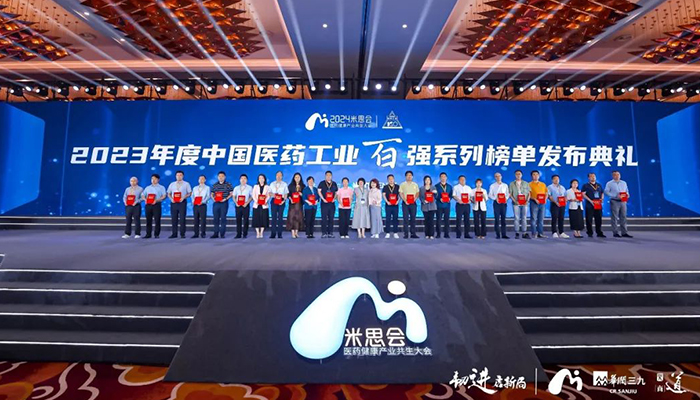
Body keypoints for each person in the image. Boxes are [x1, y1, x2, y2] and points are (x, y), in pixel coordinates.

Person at [605, 171, 633, 238]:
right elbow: (606, 192)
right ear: (612, 176)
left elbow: (626, 191)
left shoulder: (624, 183)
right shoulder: (609, 183)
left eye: (618, 174)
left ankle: (624, 232)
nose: (617, 176)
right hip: (614, 201)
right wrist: (614, 196)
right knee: (614, 217)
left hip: (623, 201)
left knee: (623, 217)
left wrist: (627, 195)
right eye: (615, 175)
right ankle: (615, 232)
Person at [167, 170, 192, 239]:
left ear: (183, 176)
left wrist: (183, 197)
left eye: (180, 175)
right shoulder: (172, 184)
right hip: (174, 203)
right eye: (177, 175)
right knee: (174, 218)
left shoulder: (186, 184)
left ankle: (182, 233)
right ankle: (174, 233)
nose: (179, 176)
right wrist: (171, 199)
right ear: (175, 176)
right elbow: (168, 193)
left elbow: (190, 193)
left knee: (182, 218)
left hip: (182, 202)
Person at [141, 173, 166, 239]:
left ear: (158, 180)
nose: (153, 180)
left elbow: (164, 196)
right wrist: (145, 199)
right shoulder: (147, 187)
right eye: (152, 179)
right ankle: (148, 234)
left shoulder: (161, 187)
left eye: (155, 179)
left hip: (156, 205)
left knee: (157, 220)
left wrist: (156, 200)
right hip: (148, 205)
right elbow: (143, 195)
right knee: (148, 220)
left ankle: (156, 234)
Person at [582, 173, 606, 238]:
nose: (593, 177)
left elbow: (602, 193)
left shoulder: (599, 185)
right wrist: (590, 201)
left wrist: (602, 199)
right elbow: (583, 194)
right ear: (588, 178)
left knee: (598, 219)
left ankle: (599, 232)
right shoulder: (585, 185)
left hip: (598, 204)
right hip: (590, 204)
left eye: (594, 176)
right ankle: (590, 232)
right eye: (591, 176)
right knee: (589, 219)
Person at [210, 171, 233, 239]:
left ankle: (222, 234)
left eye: (222, 176)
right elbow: (212, 194)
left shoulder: (228, 184)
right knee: (215, 218)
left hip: (224, 203)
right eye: (219, 176)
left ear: (224, 177)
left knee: (223, 218)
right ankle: (215, 233)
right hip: (216, 203)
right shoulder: (215, 185)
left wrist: (225, 199)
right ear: (217, 177)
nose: (221, 178)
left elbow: (231, 194)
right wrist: (213, 199)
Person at [509, 170, 530, 239]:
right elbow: (510, 194)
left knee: (524, 218)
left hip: (525, 203)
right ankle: (517, 232)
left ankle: (524, 233)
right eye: (517, 174)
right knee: (516, 218)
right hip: (516, 203)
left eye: (519, 174)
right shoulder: (512, 184)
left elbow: (529, 193)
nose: (518, 175)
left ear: (521, 175)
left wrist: (527, 201)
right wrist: (515, 201)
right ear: (515, 175)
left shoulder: (526, 183)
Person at [488, 172, 510, 239]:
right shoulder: (492, 186)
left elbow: (507, 194)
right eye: (496, 176)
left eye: (499, 176)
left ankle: (504, 234)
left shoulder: (505, 185)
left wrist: (506, 198)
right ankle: (497, 234)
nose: (498, 177)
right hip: (496, 203)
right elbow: (490, 195)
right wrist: (495, 198)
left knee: (503, 219)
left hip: (503, 203)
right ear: (495, 178)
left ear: (501, 177)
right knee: (497, 219)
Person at [318, 170, 338, 238]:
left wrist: (334, 199)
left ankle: (330, 233)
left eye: (330, 175)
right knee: (324, 218)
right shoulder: (322, 183)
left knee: (331, 218)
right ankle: (324, 233)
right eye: (327, 175)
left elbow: (336, 192)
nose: (328, 176)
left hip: (331, 204)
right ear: (325, 176)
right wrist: (323, 199)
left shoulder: (334, 183)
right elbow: (319, 191)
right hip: (324, 203)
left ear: (331, 176)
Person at [400, 171, 420, 239]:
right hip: (405, 203)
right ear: (405, 176)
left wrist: (414, 199)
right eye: (408, 175)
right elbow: (401, 193)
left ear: (412, 176)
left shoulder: (415, 184)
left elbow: (417, 193)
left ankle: (413, 233)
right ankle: (406, 234)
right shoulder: (402, 184)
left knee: (413, 219)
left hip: (413, 203)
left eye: (410, 175)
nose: (409, 176)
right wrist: (405, 200)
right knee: (405, 219)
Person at [268, 171, 289, 239]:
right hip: (274, 200)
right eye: (277, 175)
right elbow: (269, 193)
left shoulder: (284, 184)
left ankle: (280, 234)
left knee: (280, 218)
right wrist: (274, 195)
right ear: (275, 176)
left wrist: (283, 201)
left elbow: (286, 193)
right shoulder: (272, 184)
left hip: (281, 201)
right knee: (273, 218)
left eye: (280, 176)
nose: (279, 177)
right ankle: (273, 234)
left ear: (282, 176)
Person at [548, 175, 569, 239]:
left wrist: (565, 201)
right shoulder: (550, 187)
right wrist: (555, 202)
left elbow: (565, 195)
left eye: (557, 179)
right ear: (552, 180)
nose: (556, 180)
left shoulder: (562, 187)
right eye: (555, 179)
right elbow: (549, 196)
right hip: (554, 204)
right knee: (554, 218)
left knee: (561, 218)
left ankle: (561, 232)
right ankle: (554, 232)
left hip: (562, 204)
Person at [232, 174, 252, 239]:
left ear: (247, 180)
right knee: (238, 220)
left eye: (244, 179)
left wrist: (247, 203)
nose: (243, 180)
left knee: (246, 220)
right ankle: (238, 234)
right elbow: (233, 196)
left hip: (245, 205)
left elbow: (251, 197)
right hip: (238, 205)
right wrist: (236, 203)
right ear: (240, 180)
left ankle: (245, 233)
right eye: (242, 178)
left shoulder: (249, 187)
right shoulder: (236, 188)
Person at [452, 175, 472, 239]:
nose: (462, 181)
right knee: (459, 220)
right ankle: (458, 234)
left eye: (464, 179)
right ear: (459, 180)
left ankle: (467, 234)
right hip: (459, 205)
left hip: (467, 205)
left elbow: (471, 196)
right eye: (461, 179)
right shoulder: (456, 187)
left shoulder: (468, 188)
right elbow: (454, 195)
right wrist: (459, 200)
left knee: (467, 220)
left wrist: (470, 199)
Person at [529, 170, 547, 239]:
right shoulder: (529, 184)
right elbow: (528, 195)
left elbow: (546, 193)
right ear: (531, 176)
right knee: (533, 219)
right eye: (534, 174)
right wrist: (534, 199)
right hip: (534, 202)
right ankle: (534, 233)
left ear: (539, 176)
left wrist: (545, 199)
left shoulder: (543, 184)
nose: (535, 176)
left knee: (541, 219)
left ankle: (540, 233)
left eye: (537, 174)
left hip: (542, 203)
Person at [286, 172, 305, 239]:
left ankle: (296, 232)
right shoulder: (290, 186)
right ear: (294, 178)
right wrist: (291, 199)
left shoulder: (303, 186)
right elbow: (288, 194)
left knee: (298, 217)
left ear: (300, 178)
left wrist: (301, 194)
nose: (297, 178)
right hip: (292, 204)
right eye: (296, 177)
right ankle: (292, 233)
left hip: (299, 204)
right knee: (292, 218)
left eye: (298, 177)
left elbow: (305, 195)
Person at [252, 174, 270, 239]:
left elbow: (268, 195)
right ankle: (257, 232)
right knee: (256, 219)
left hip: (264, 205)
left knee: (263, 219)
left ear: (264, 179)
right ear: (258, 179)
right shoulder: (255, 186)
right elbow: (253, 195)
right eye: (260, 178)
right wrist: (256, 201)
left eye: (262, 178)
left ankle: (261, 232)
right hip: (256, 205)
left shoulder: (267, 187)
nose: (261, 179)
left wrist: (265, 201)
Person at [382, 174, 400, 238]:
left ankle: (395, 232)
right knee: (388, 219)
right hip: (388, 205)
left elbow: (400, 195)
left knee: (395, 218)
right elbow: (383, 195)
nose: (391, 180)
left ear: (394, 179)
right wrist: (387, 201)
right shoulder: (385, 187)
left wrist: (398, 201)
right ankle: (387, 232)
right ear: (387, 180)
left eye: (392, 179)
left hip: (395, 205)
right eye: (389, 179)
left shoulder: (397, 186)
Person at [435, 172, 452, 238]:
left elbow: (451, 195)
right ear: (440, 178)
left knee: (447, 220)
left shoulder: (449, 186)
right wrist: (439, 199)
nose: (443, 178)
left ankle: (446, 234)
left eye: (444, 177)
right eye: (442, 177)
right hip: (439, 205)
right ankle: (438, 234)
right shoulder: (436, 186)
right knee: (438, 220)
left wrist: (449, 198)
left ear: (446, 178)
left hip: (447, 205)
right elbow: (435, 195)